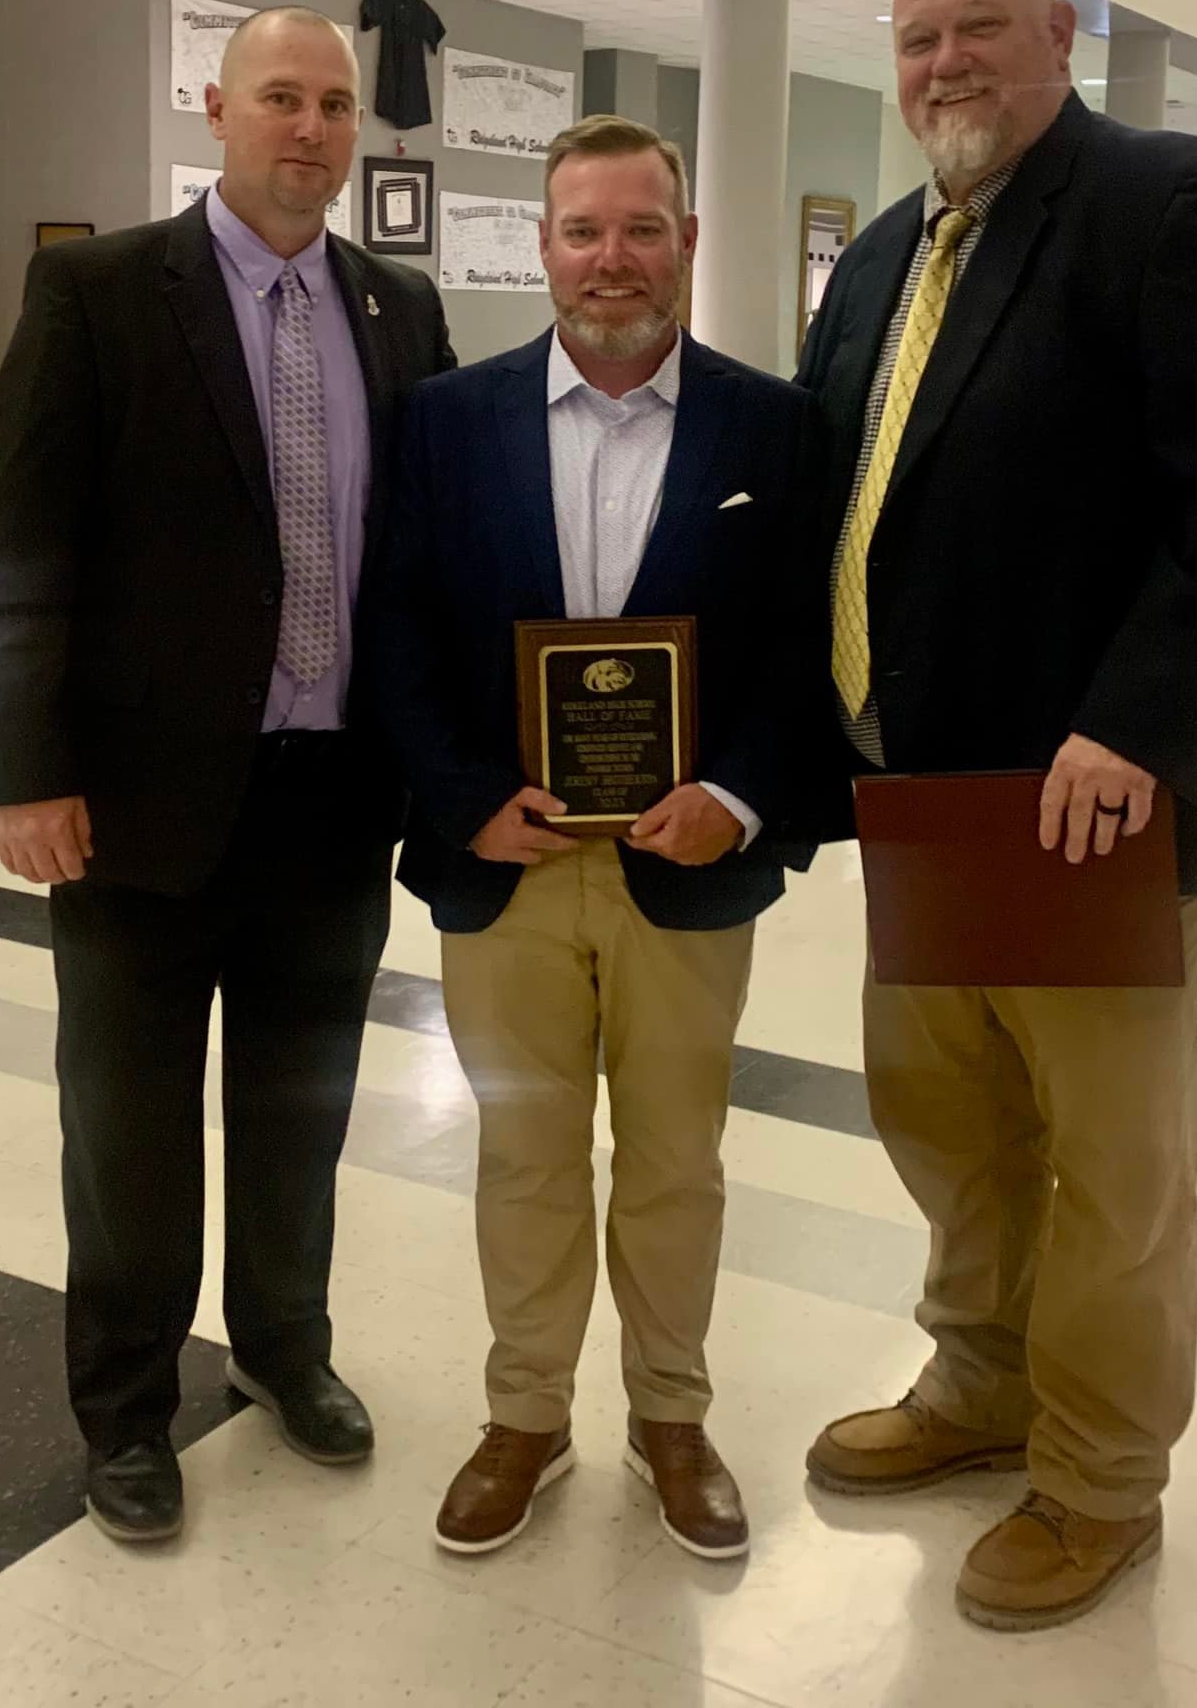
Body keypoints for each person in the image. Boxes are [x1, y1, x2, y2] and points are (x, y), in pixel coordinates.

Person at [795, 0, 1197, 1629]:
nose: (943, 64)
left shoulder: (1173, 206)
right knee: (956, 1130)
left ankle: (1101, 1475)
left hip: (1108, 817)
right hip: (932, 807)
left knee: (1114, 1173)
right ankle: (981, 1383)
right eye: (915, 39)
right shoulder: (882, 260)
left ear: (1060, 35)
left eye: (978, 29)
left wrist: (1140, 725)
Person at [0, 6, 454, 1543]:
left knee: (301, 1107)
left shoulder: (399, 308)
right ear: (216, 108)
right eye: (280, 98)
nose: (309, 128)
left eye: (334, 104)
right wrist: (25, 772)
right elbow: (19, 540)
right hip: (138, 806)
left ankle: (285, 1350)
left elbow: (427, 558)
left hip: (334, 800)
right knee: (128, 1130)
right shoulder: (102, 291)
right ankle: (124, 1409)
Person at [370, 114, 826, 1561]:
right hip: (506, 867)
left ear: (685, 242)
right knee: (524, 1154)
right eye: (583, 231)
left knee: (678, 1158)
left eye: (640, 229)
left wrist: (737, 798)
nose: (611, 259)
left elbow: (809, 650)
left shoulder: (774, 427)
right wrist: (462, 797)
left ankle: (671, 1417)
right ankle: (525, 1416)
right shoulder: (448, 421)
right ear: (543, 246)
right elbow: (397, 632)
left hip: (688, 870)